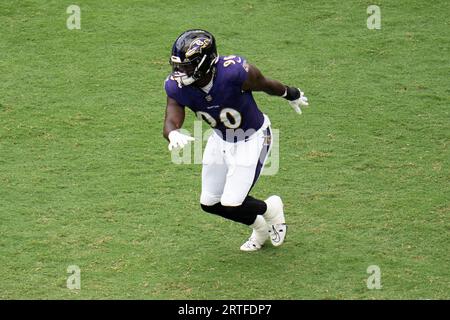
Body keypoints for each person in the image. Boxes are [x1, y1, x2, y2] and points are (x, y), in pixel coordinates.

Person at [163, 29, 309, 251]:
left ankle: (272, 208)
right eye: (178, 66)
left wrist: (291, 93)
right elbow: (171, 116)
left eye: (185, 67)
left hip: (253, 138)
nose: (179, 72)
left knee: (232, 203)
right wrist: (172, 132)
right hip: (221, 140)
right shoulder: (176, 86)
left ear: (204, 63)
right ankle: (260, 229)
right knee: (210, 203)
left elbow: (265, 84)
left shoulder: (234, 73)